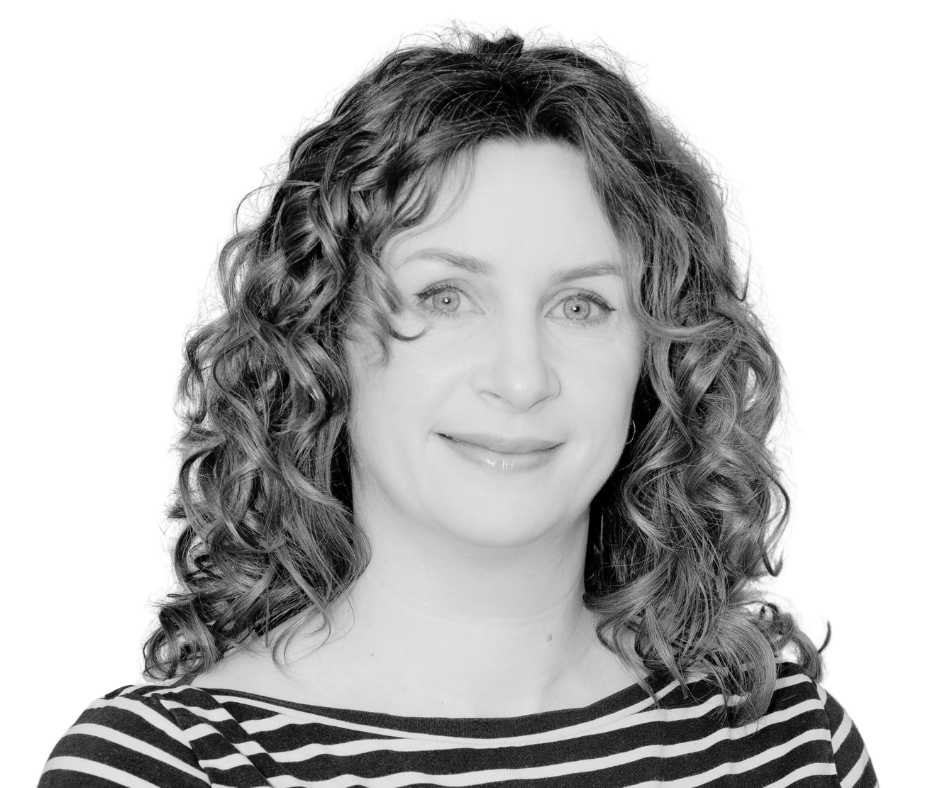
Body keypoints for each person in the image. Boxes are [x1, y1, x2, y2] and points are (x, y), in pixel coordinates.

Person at [39, 28, 878, 787]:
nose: (521, 378)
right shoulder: (168, 768)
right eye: (446, 297)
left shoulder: (789, 745)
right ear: (321, 334)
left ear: (659, 358)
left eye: (581, 305)